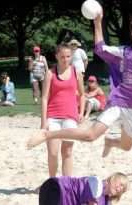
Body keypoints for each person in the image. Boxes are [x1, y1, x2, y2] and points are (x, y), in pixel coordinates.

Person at [27, 11, 132, 157]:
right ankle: (48, 135)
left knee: (126, 146)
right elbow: (100, 48)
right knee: (90, 136)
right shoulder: (124, 52)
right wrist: (98, 22)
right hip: (119, 102)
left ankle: (110, 142)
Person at [40, 43, 85, 177]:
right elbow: (43, 98)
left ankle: (66, 184)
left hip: (70, 117)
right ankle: (52, 182)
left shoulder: (76, 72)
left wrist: (81, 112)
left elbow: (82, 95)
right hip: (52, 117)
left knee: (67, 152)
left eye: (68, 56)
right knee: (53, 152)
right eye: (62, 57)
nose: (66, 60)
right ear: (56, 57)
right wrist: (43, 122)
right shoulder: (50, 73)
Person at [39, 172, 129, 205]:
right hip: (56, 188)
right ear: (113, 178)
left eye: (123, 189)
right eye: (121, 184)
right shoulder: (96, 183)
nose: (121, 189)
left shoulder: (106, 201)